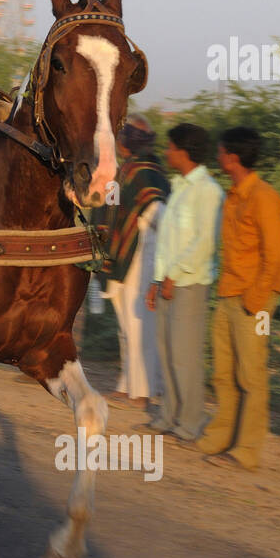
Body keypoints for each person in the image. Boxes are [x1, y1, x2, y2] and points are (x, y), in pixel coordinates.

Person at [196, 127, 280, 471]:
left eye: (220, 152)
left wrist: (257, 298)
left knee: (251, 375)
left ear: (232, 157)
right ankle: (222, 436)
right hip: (229, 292)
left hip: (255, 299)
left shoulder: (263, 196)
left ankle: (247, 450)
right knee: (223, 373)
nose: (217, 158)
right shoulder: (233, 193)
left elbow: (277, 254)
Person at [146, 123, 223, 441]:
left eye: (170, 147)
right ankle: (169, 415)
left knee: (184, 355)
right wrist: (156, 279)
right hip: (167, 281)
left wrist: (174, 274)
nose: (166, 153)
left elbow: (204, 242)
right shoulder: (178, 187)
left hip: (189, 283)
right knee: (165, 350)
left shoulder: (209, 191)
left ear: (184, 151)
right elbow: (166, 240)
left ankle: (190, 422)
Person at [97, 114, 168, 412]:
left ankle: (144, 391)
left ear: (128, 141)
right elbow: (111, 206)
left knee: (141, 325)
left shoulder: (147, 172)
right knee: (127, 325)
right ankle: (127, 385)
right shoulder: (128, 169)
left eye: (122, 136)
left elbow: (160, 216)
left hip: (143, 256)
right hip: (124, 255)